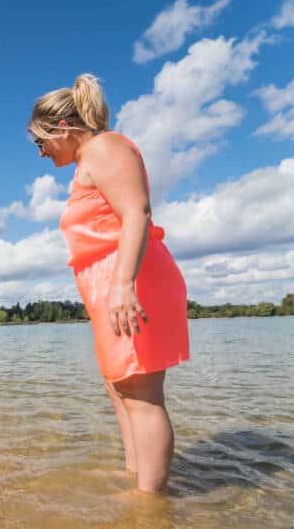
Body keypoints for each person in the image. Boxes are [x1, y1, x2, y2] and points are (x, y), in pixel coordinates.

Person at [28, 73, 189, 493]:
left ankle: (149, 509)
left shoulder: (104, 147)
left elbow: (137, 212)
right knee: (121, 388)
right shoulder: (89, 160)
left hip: (132, 281)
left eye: (40, 142)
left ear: (62, 128)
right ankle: (136, 477)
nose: (41, 153)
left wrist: (122, 286)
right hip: (114, 286)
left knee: (141, 394)